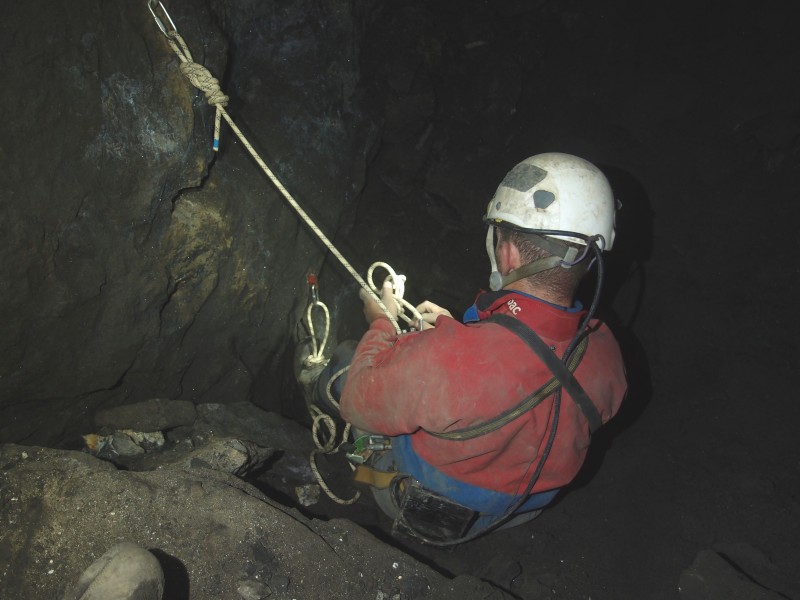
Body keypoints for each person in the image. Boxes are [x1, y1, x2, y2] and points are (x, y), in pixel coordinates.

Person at [299, 152, 628, 543]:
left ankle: (311, 379)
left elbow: (360, 400)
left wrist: (383, 320)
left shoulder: (450, 359)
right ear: (589, 260)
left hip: (424, 500)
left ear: (506, 253)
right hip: (518, 511)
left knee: (345, 365)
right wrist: (458, 329)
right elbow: (520, 369)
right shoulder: (609, 356)